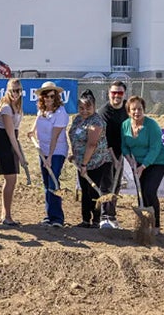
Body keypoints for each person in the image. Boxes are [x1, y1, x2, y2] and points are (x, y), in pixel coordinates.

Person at [120, 96, 164, 234]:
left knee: (149, 190)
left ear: (144, 109)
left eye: (140, 109)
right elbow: (124, 146)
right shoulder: (125, 125)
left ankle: (156, 226)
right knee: (141, 193)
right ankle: (145, 224)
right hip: (138, 162)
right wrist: (130, 160)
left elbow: (155, 148)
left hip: (157, 161)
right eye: (133, 109)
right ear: (129, 111)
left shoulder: (151, 125)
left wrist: (143, 166)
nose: (137, 112)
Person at [68, 89, 114, 229]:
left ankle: (95, 220)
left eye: (88, 108)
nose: (85, 111)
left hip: (96, 162)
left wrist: (84, 164)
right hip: (81, 162)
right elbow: (74, 137)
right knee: (84, 191)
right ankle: (85, 220)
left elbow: (91, 144)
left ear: (94, 107)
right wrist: (74, 155)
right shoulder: (77, 119)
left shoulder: (96, 121)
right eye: (81, 108)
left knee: (93, 191)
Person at [30, 81, 69, 227]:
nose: (48, 99)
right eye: (45, 96)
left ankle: (57, 218)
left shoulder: (61, 113)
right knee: (46, 183)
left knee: (53, 181)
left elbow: (55, 136)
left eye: (51, 96)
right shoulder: (42, 111)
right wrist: (32, 131)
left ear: (56, 97)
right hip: (43, 150)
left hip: (57, 151)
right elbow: (38, 119)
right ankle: (48, 216)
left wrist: (50, 157)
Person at [0, 78, 27, 226]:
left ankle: (5, 214)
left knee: (12, 180)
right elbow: (10, 134)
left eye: (18, 90)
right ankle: (6, 216)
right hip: (4, 141)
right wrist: (20, 155)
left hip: (12, 140)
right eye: (12, 90)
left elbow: (16, 133)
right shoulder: (6, 107)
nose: (15, 93)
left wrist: (20, 152)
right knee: (10, 179)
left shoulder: (17, 105)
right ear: (7, 90)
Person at [98, 80, 129, 227]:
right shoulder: (104, 112)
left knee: (116, 185)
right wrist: (113, 158)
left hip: (121, 151)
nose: (116, 96)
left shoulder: (128, 109)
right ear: (109, 93)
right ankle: (104, 217)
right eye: (114, 93)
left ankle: (112, 216)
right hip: (105, 151)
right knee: (107, 184)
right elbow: (104, 137)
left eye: (120, 93)